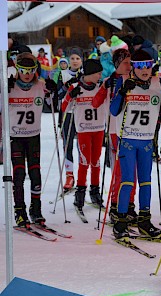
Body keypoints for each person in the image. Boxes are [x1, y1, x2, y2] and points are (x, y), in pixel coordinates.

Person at [110, 50, 161, 238]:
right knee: (127, 180)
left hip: (146, 141)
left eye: (147, 65)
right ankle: (120, 220)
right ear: (133, 66)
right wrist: (121, 91)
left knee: (146, 181)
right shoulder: (125, 80)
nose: (144, 70)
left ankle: (144, 220)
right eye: (139, 66)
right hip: (128, 139)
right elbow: (113, 111)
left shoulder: (158, 82)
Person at [8, 52, 57, 227]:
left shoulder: (40, 86)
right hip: (15, 137)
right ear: (17, 69)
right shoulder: (10, 86)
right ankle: (19, 211)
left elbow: (52, 104)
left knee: (35, 173)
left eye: (31, 70)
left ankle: (35, 210)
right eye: (23, 70)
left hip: (33, 136)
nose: (27, 74)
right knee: (19, 174)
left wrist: (53, 90)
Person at [92, 48, 137, 224]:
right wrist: (104, 88)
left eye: (130, 62)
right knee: (120, 172)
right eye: (125, 63)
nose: (128, 66)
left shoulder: (135, 79)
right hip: (114, 131)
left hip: (133, 131)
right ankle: (116, 206)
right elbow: (95, 103)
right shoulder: (109, 81)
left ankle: (130, 205)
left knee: (132, 172)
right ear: (117, 64)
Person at [61, 59, 105, 210]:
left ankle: (95, 191)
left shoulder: (101, 87)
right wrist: (70, 96)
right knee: (84, 160)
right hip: (84, 130)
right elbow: (64, 108)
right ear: (90, 73)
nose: (100, 75)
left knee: (96, 160)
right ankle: (80, 192)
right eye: (98, 73)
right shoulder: (75, 86)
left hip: (99, 128)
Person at [57, 47, 84, 192]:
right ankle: (69, 175)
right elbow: (58, 95)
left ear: (81, 60)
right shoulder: (63, 74)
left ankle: (82, 174)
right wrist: (66, 87)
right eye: (72, 58)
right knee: (68, 145)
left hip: (82, 113)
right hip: (68, 113)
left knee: (82, 145)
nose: (75, 61)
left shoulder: (86, 74)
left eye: (77, 58)